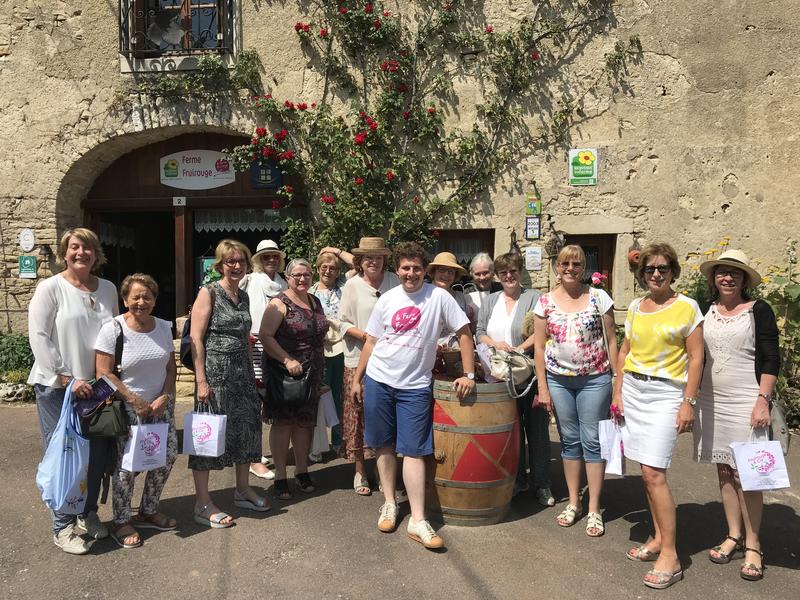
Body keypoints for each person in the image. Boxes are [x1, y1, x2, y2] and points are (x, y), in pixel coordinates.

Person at [351, 242, 476, 550]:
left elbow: (464, 333)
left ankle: (418, 520)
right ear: (398, 270)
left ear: (424, 270)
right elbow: (371, 342)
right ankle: (390, 503)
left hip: (415, 386)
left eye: (416, 268)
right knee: (383, 445)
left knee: (415, 450)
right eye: (405, 268)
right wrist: (358, 378)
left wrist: (469, 374)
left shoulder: (440, 297)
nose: (411, 273)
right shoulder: (388, 299)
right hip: (379, 379)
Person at [613, 243, 704, 589]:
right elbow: (625, 350)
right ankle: (656, 537)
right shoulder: (637, 307)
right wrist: (618, 391)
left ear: (673, 271)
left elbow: (696, 358)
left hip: (667, 393)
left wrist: (688, 402)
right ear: (641, 273)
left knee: (654, 473)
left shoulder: (687, 307)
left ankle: (671, 554)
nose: (655, 273)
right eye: (649, 268)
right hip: (634, 390)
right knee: (645, 470)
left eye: (662, 268)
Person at [27, 227, 118, 554]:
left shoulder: (107, 289)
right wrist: (66, 378)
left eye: (88, 247)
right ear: (65, 252)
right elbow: (38, 335)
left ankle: (87, 513)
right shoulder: (50, 287)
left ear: (96, 253)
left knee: (96, 456)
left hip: (95, 389)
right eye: (75, 247)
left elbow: (114, 335)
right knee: (66, 457)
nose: (82, 253)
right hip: (58, 388)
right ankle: (62, 526)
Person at [694, 250, 779, 581]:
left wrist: (763, 400)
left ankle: (754, 544)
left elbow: (771, 358)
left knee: (750, 475)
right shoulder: (706, 310)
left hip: (748, 401)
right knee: (725, 471)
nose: (727, 278)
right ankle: (733, 535)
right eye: (721, 273)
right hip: (711, 400)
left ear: (744, 279)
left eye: (734, 273)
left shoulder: (759, 310)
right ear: (714, 279)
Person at [532, 245, 618, 535]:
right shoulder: (544, 302)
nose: (570, 268)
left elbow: (612, 340)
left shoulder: (598, 297)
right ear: (557, 266)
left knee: (591, 440)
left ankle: (594, 507)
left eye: (577, 264)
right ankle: (573, 502)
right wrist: (542, 387)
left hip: (595, 378)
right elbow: (540, 348)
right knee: (569, 441)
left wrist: (616, 379)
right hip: (558, 380)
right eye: (565, 263)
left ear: (583, 268)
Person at [189, 239, 269, 529]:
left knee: (247, 430)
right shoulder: (208, 292)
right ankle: (202, 502)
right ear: (220, 265)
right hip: (215, 374)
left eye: (240, 261)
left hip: (242, 375)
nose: (236, 266)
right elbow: (196, 338)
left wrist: (253, 374)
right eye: (230, 261)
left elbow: (247, 338)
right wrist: (201, 381)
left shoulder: (244, 296)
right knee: (208, 438)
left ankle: (242, 489)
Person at [95, 274, 177, 548]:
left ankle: (148, 510)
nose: (141, 302)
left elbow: (170, 367)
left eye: (147, 296)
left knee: (166, 457)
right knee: (127, 467)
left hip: (160, 405)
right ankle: (120, 520)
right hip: (129, 408)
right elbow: (103, 373)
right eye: (135, 297)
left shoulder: (165, 327)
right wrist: (134, 399)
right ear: (125, 299)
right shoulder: (113, 329)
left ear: (154, 300)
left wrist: (165, 395)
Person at [476, 252, 554, 506]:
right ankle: (518, 480)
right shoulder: (490, 301)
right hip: (499, 375)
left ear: (521, 272)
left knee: (537, 430)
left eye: (513, 271)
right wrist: (495, 343)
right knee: (512, 432)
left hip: (529, 373)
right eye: (504, 273)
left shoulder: (533, 298)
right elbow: (479, 332)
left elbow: (544, 330)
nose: (509, 276)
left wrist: (520, 348)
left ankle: (542, 484)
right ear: (498, 276)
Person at [260, 258, 329, 500]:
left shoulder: (315, 300)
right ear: (287, 277)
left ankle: (302, 470)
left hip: (312, 372)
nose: (302, 278)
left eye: (307, 274)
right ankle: (280, 474)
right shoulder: (279, 303)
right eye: (297, 275)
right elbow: (265, 336)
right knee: (283, 423)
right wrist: (287, 360)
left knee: (304, 423)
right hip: (285, 373)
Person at [338, 237, 400, 496]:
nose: (373, 261)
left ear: (385, 259)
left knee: (385, 413)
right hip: (358, 358)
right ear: (360, 262)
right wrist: (366, 337)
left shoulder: (395, 282)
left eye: (378, 257)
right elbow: (341, 322)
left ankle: (381, 466)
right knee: (358, 412)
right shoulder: (352, 285)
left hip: (391, 360)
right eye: (368, 258)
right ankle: (360, 469)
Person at [240, 239, 287, 480]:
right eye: (266, 257)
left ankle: (256, 452)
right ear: (259, 259)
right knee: (254, 399)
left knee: (269, 396)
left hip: (276, 344)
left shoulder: (283, 283)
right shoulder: (249, 280)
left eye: (275, 256)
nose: (271, 260)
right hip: (254, 343)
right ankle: (252, 457)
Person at [309, 251, 348, 456]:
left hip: (342, 347)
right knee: (319, 395)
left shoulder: (344, 288)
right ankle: (316, 445)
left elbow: (357, 265)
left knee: (338, 393)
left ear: (337, 271)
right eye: (324, 267)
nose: (327, 271)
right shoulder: (310, 292)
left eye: (332, 268)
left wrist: (335, 251)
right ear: (317, 269)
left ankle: (338, 439)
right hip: (319, 348)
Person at [428, 252, 470, 343]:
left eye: (450, 272)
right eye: (441, 270)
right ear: (433, 272)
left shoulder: (460, 297)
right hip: (431, 351)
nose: (446, 275)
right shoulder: (425, 295)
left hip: (456, 351)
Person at [465, 252, 502, 319]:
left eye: (485, 273)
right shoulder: (467, 294)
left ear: (492, 272)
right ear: (471, 274)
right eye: (477, 274)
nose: (482, 277)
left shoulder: (502, 289)